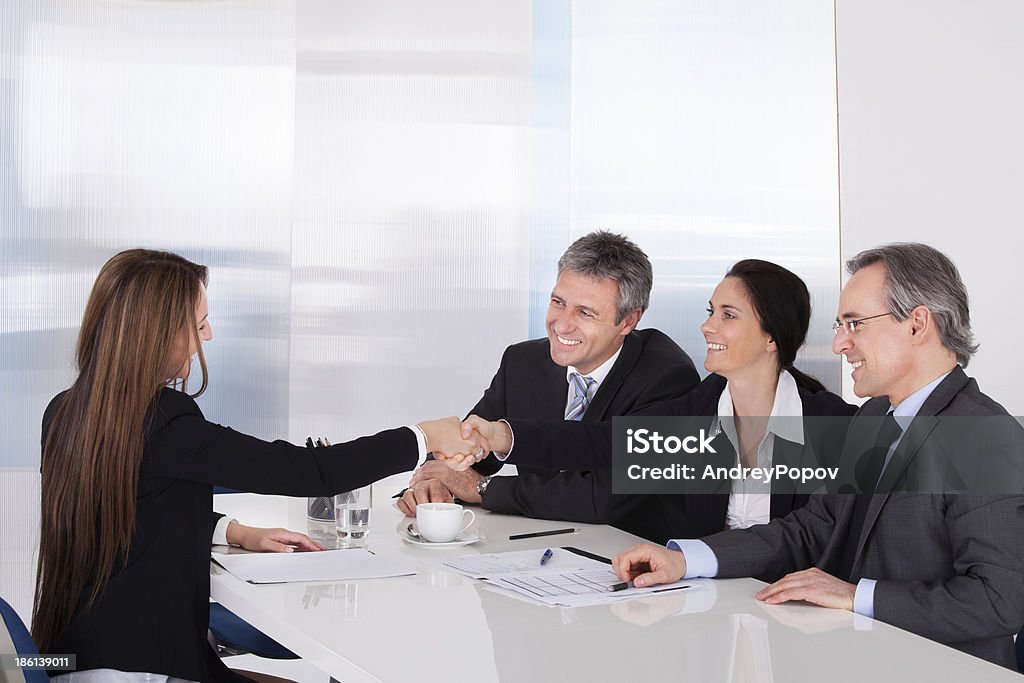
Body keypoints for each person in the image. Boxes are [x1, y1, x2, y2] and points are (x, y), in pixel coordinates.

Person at [34, 249, 483, 683]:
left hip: (74, 658)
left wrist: (233, 531)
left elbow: (131, 508)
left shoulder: (66, 412)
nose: (207, 336)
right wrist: (423, 436)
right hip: (144, 665)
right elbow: (311, 471)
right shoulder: (166, 422)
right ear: (154, 334)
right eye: (199, 323)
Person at [611, 243, 1024, 668]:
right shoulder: (874, 417)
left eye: (855, 323)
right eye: (839, 324)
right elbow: (814, 527)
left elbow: (999, 600)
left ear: (917, 324)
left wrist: (853, 595)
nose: (839, 344)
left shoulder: (984, 437)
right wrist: (687, 559)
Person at [436, 260, 854, 543]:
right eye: (711, 311)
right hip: (700, 611)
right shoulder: (693, 412)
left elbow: (820, 540)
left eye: (728, 315)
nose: (707, 326)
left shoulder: (834, 425)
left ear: (771, 337)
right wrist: (502, 435)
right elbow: (600, 443)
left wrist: (480, 485)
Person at [397, 230, 699, 543]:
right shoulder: (523, 362)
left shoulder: (668, 377)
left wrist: (480, 489)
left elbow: (604, 498)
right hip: (538, 551)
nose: (562, 324)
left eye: (585, 312)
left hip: (634, 561)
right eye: (558, 302)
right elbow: (471, 444)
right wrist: (433, 481)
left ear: (627, 321)